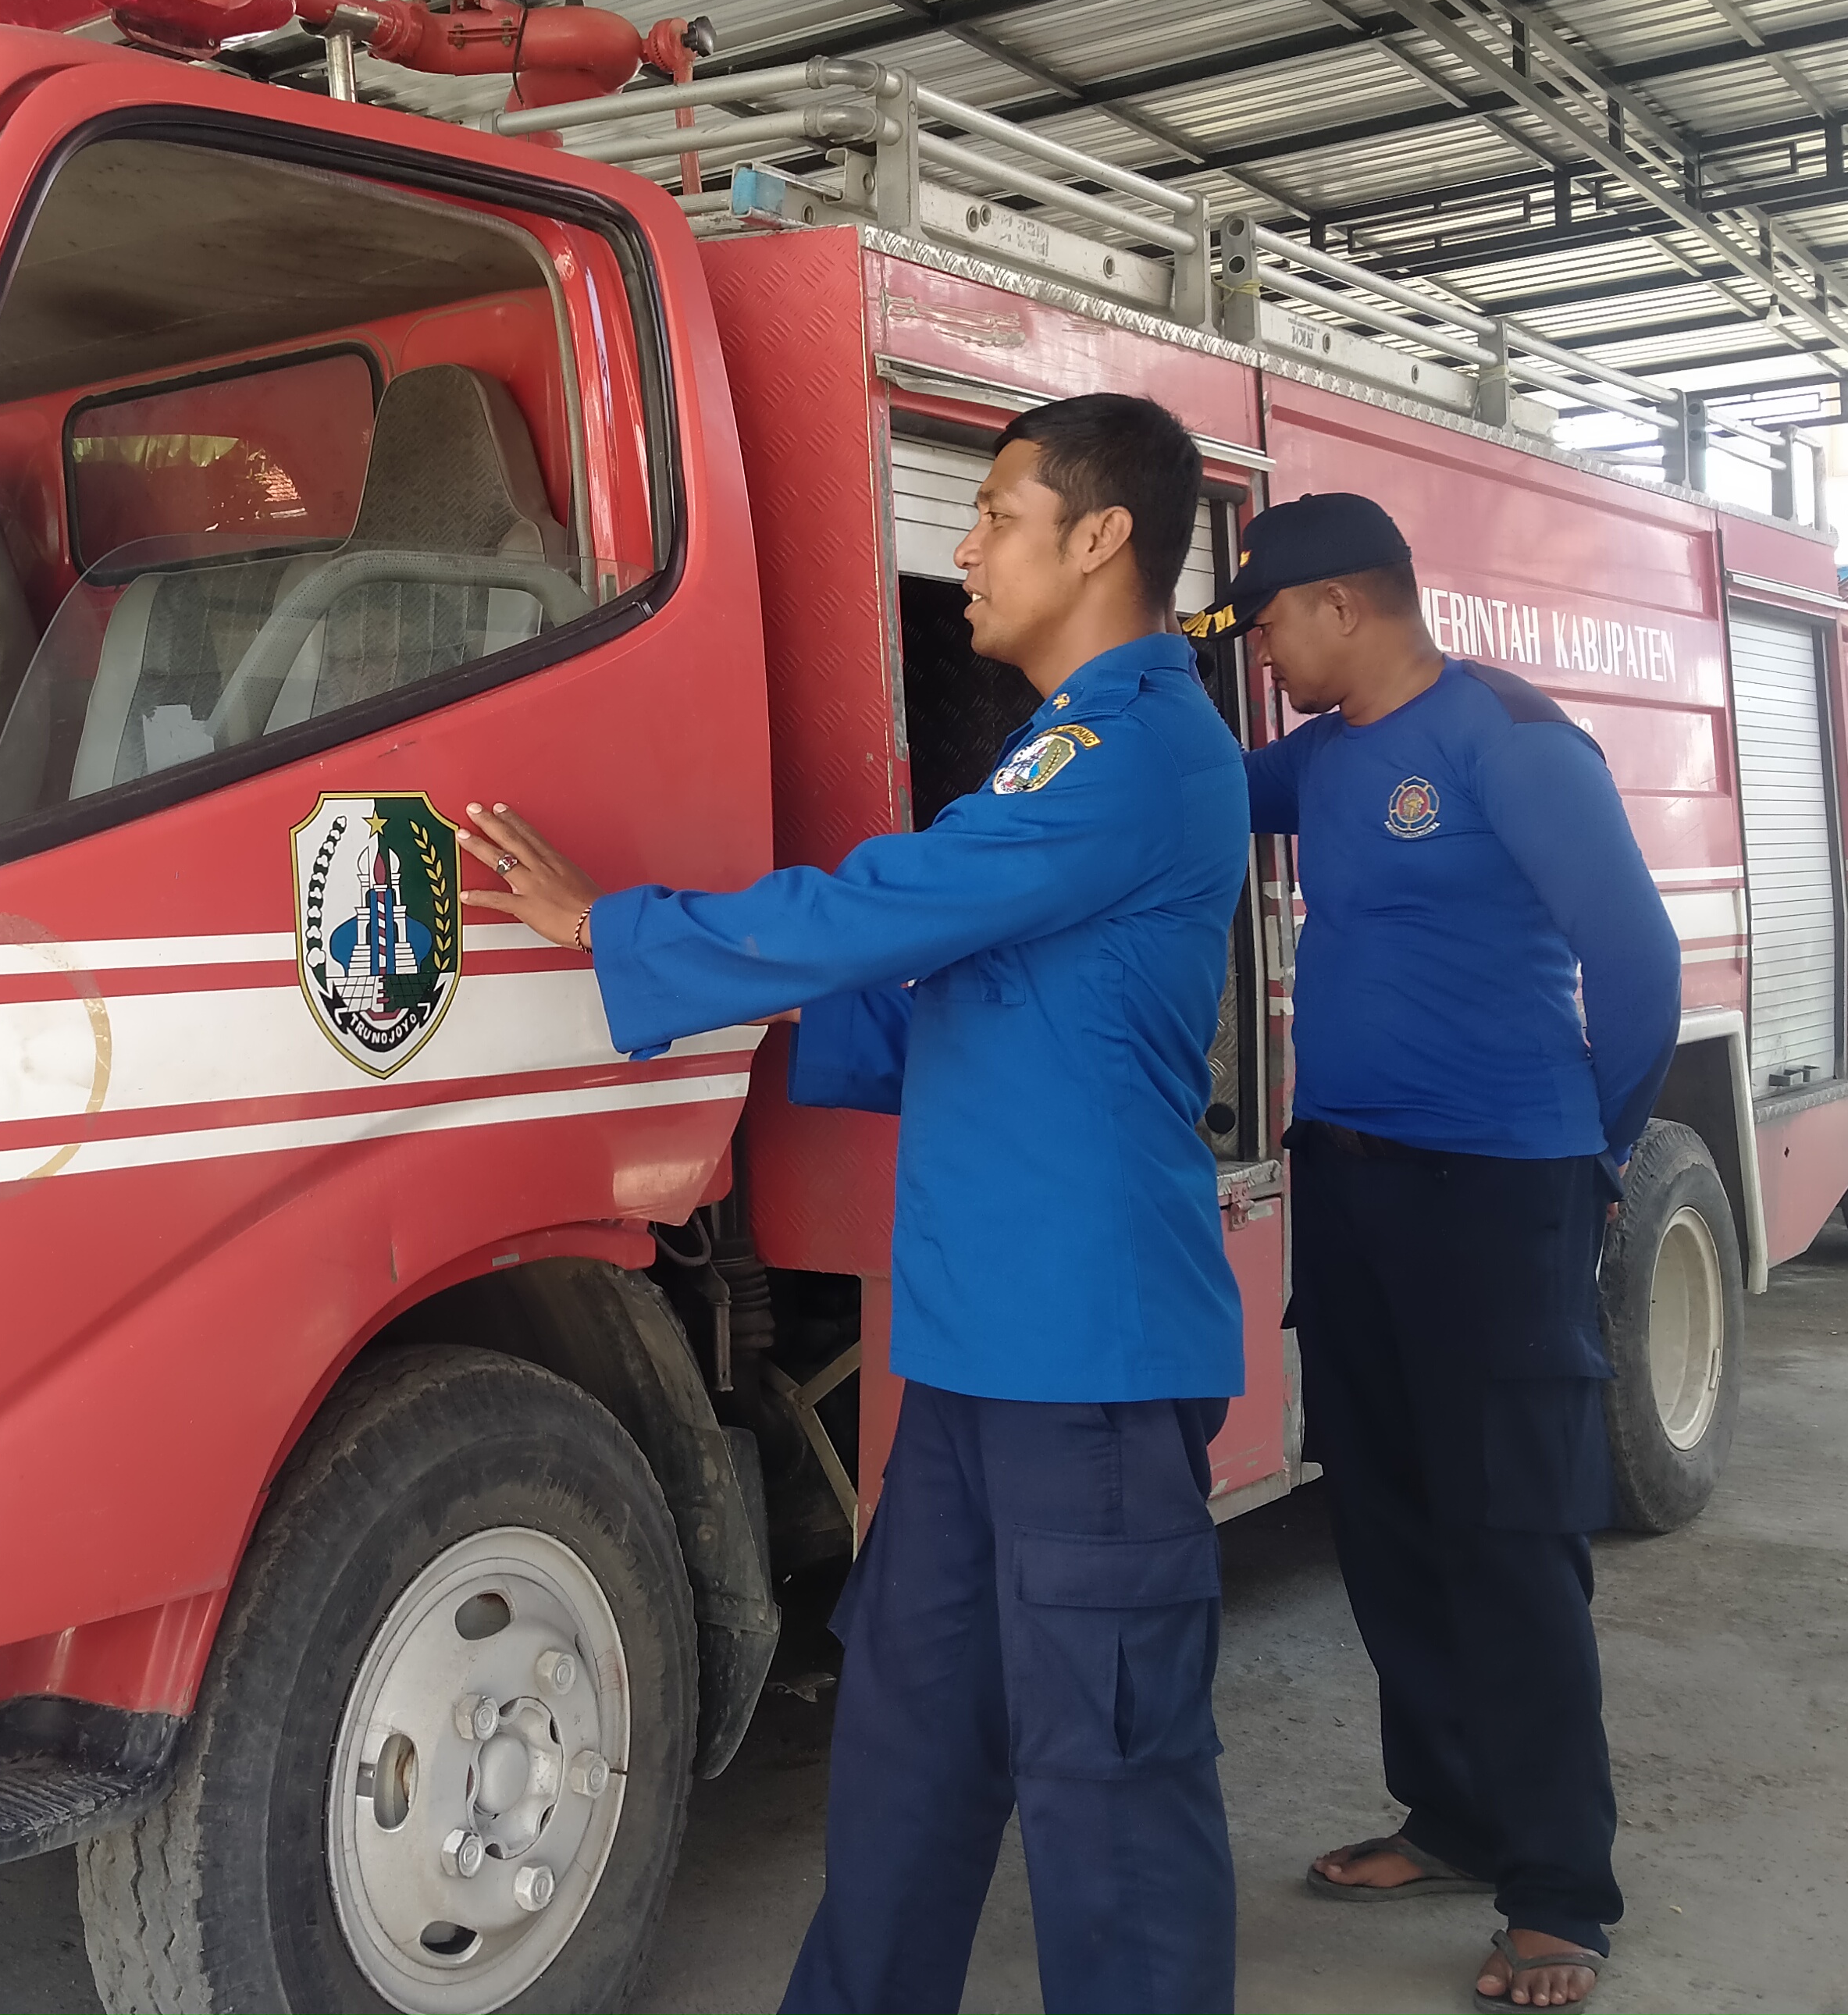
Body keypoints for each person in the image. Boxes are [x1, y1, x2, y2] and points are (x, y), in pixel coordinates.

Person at [467, 393, 1248, 2015]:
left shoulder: (1134, 747)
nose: (959, 547)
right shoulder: (1056, 747)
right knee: (906, 1745)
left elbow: (908, 905)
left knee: (1105, 1775)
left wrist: (626, 930)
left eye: (995, 515)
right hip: (978, 1347)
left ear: (1098, 539)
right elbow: (943, 971)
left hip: (1085, 1357)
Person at [1184, 493, 1681, 2010]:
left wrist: (1583, 1153)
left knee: (1506, 1536)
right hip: (1348, 1188)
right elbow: (1188, 785)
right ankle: (1452, 1816)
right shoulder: (1321, 761)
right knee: (1388, 1518)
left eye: (1263, 626)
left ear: (1340, 606)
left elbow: (1634, 961)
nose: (1257, 657)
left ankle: (1557, 1890)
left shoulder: (1505, 741)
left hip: (1495, 1195)